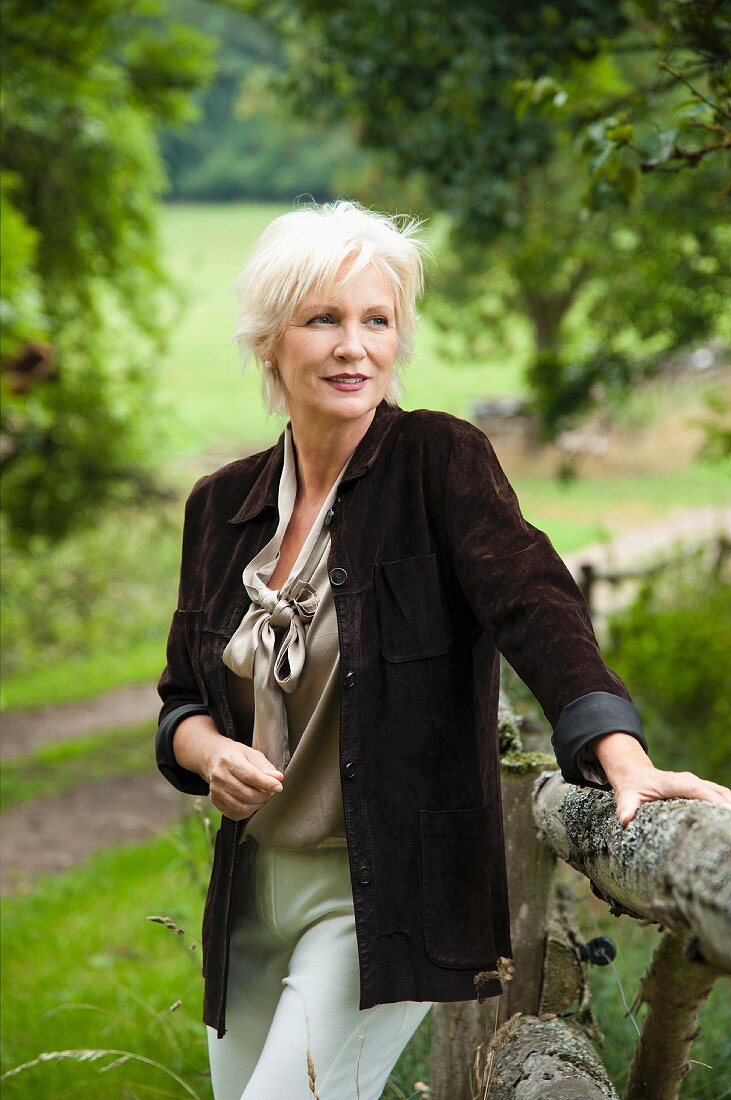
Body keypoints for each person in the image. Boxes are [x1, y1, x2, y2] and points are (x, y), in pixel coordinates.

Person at [155, 199, 731, 1100]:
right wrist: (208, 750)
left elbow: (533, 598)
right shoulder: (220, 506)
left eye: (375, 320)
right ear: (270, 342)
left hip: (381, 897)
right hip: (250, 896)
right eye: (324, 319)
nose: (354, 345)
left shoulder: (437, 462)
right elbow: (178, 703)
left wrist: (617, 750)